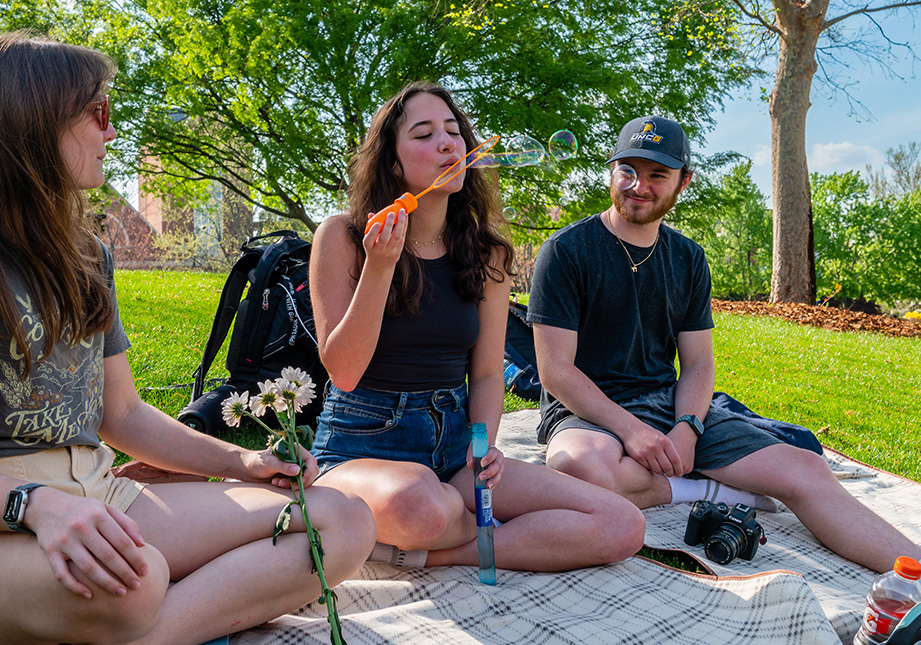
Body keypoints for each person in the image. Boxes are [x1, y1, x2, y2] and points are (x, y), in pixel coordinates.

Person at [0, 33, 374, 645]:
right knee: (135, 583)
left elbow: (122, 412)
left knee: (342, 520)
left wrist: (241, 462)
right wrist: (40, 507)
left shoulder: (87, 258)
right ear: (30, 123)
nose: (111, 132)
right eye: (97, 112)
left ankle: (150, 633)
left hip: (102, 493)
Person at [528, 114, 921, 573]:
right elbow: (555, 370)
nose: (639, 186)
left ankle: (912, 573)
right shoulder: (566, 250)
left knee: (807, 471)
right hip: (587, 411)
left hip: (667, 402)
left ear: (683, 182)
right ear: (611, 171)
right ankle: (706, 487)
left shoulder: (688, 258)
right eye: (628, 170)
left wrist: (687, 427)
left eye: (657, 175)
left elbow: (697, 364)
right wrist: (632, 431)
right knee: (579, 470)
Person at [308, 81, 644, 572]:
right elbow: (342, 371)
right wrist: (380, 269)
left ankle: (432, 552)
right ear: (393, 163)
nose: (448, 143)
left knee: (620, 523)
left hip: (453, 448)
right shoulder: (343, 236)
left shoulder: (487, 254)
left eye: (454, 131)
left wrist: (482, 443)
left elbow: (487, 373)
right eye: (424, 134)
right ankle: (450, 528)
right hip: (360, 444)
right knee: (419, 506)